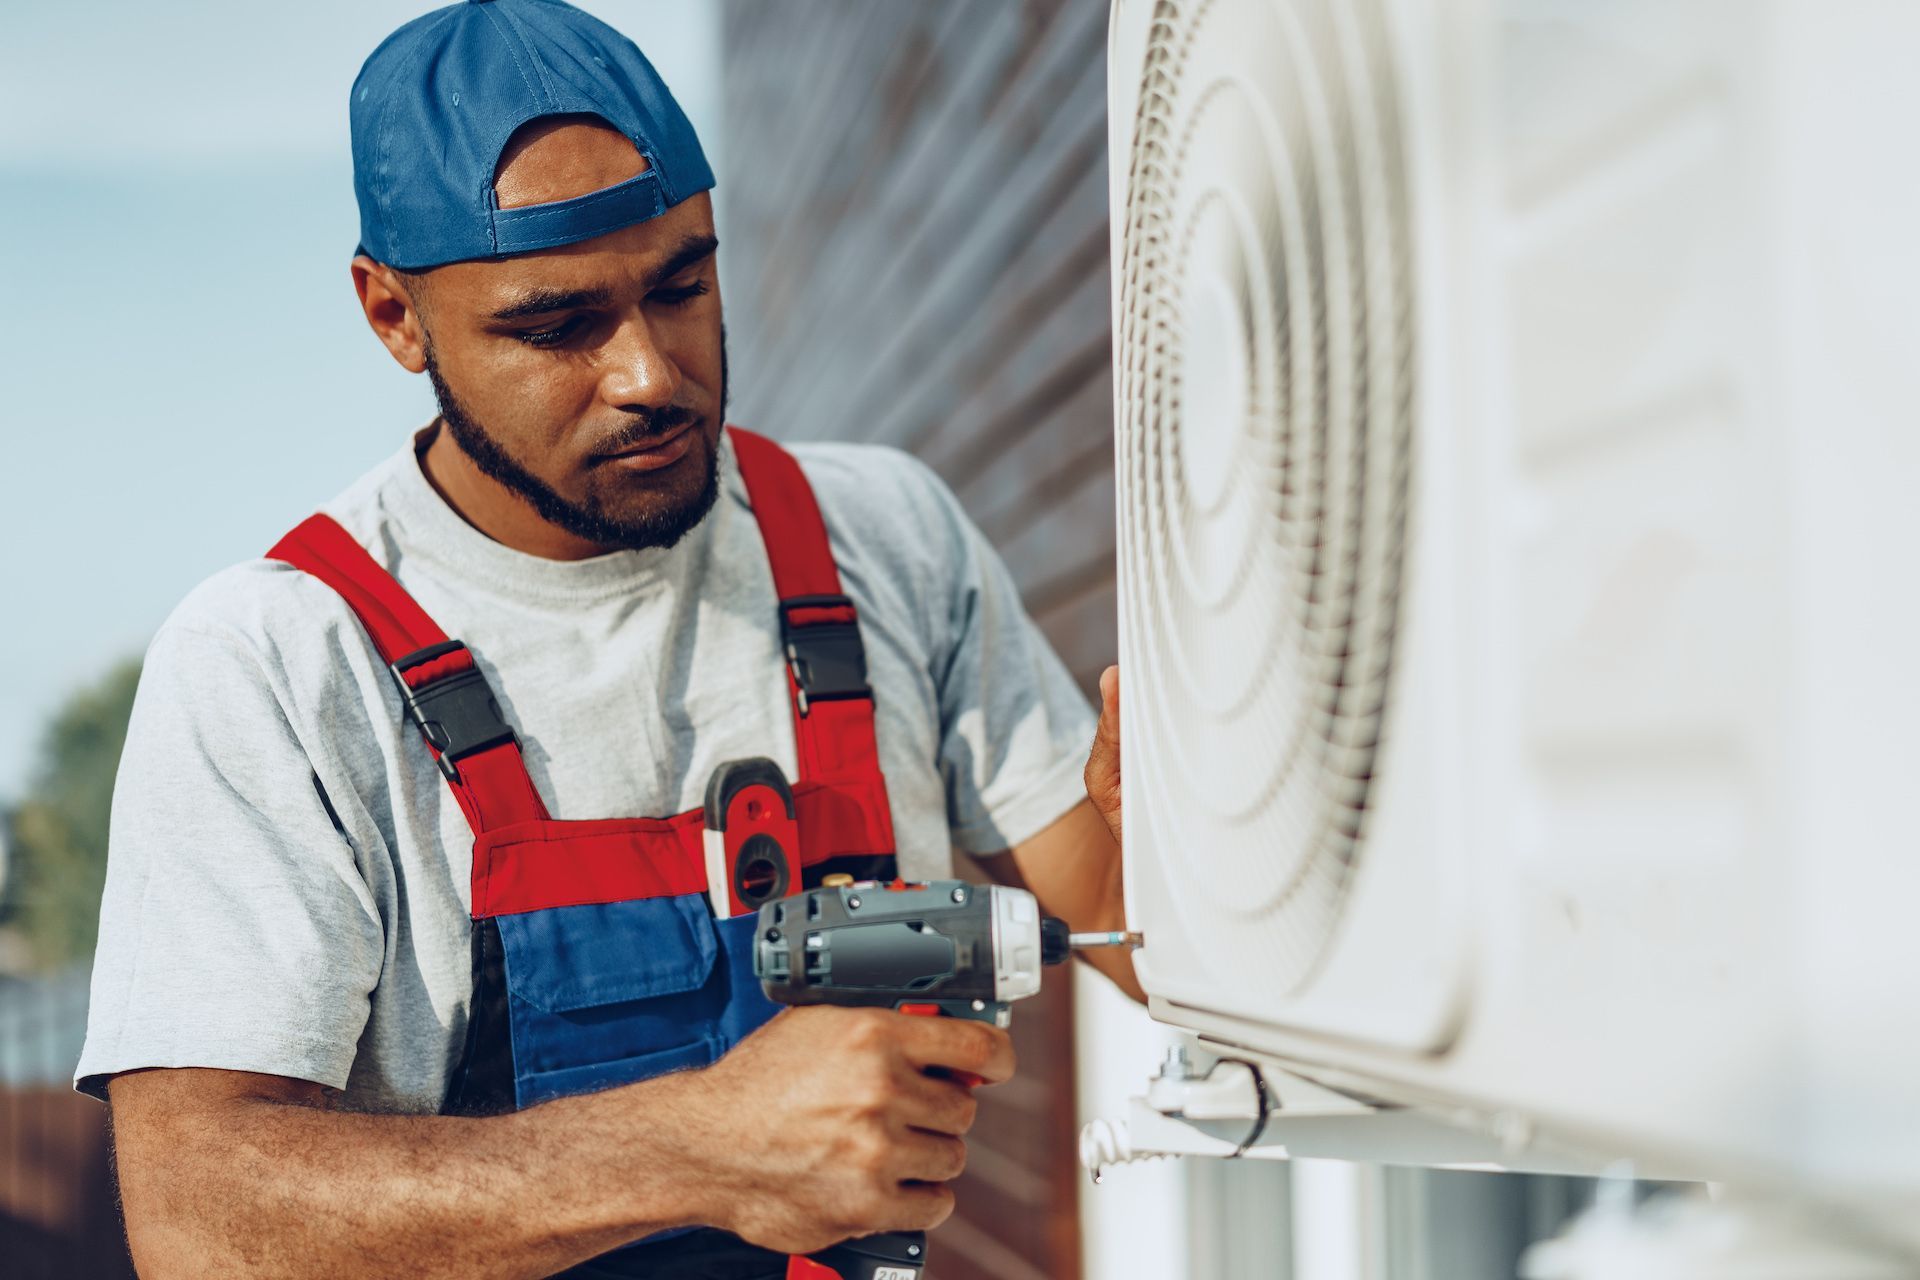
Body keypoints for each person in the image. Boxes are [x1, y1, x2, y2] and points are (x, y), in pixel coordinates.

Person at [76, 2, 1138, 1277]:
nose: (648, 372)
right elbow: (199, 1220)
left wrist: (1197, 867)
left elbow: (1128, 923)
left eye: (683, 285)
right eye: (556, 325)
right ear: (392, 315)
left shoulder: (882, 538)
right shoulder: (280, 663)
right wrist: (700, 1146)